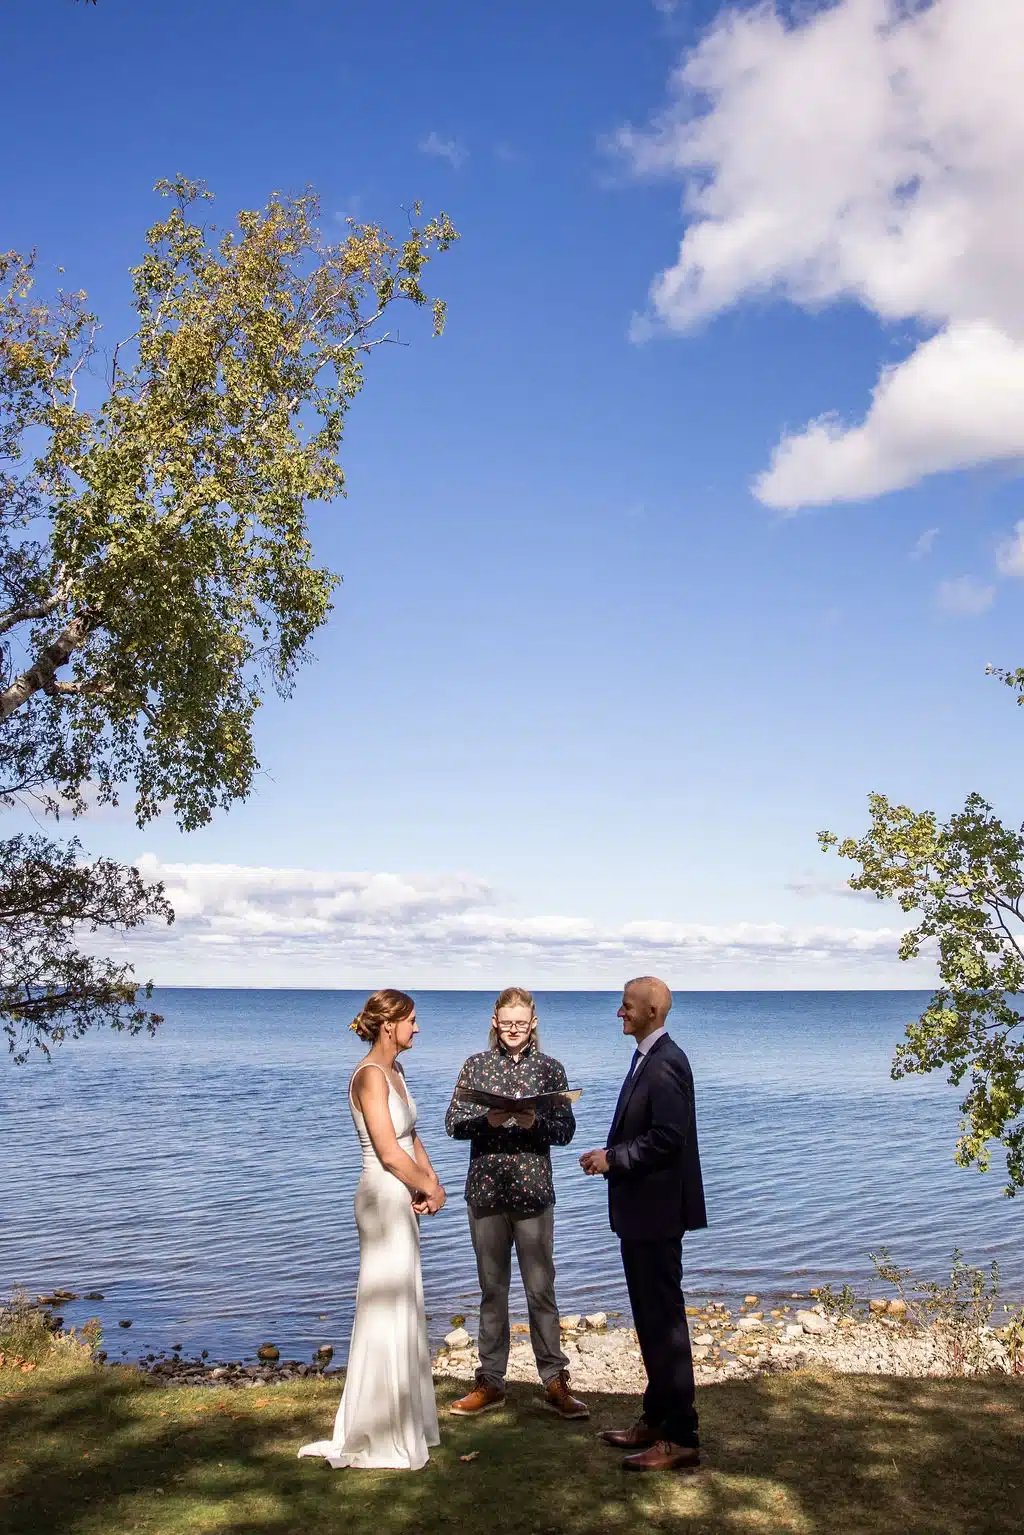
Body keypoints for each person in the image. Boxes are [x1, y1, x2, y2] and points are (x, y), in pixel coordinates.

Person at [298, 989, 445, 1470]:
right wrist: (424, 1185)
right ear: (390, 1025)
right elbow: (386, 1151)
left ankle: (409, 1419)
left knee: (406, 1300)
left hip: (402, 1190)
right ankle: (377, 1427)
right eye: (412, 1020)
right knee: (384, 1302)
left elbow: (412, 1137)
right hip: (382, 1197)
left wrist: (434, 1182)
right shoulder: (368, 1077)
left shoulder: (397, 1071)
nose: (418, 1029)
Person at [579, 976, 707, 1473]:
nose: (620, 1013)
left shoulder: (667, 1061)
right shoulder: (647, 1057)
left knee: (665, 1325)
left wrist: (614, 1158)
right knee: (650, 1322)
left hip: (656, 1215)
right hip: (641, 1215)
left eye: (627, 1006)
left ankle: (681, 1437)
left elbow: (669, 1138)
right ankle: (656, 1420)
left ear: (653, 1011)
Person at [444, 986, 588, 1420]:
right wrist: (483, 1120)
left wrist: (535, 1121)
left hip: (533, 1193)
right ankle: (491, 1382)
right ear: (494, 1021)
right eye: (506, 1023)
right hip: (486, 1192)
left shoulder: (550, 1070)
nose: (512, 1030)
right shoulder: (475, 1066)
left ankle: (555, 1383)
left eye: (520, 1024)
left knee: (541, 1289)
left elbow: (565, 1131)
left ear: (533, 1024)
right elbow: (452, 1123)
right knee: (492, 1290)